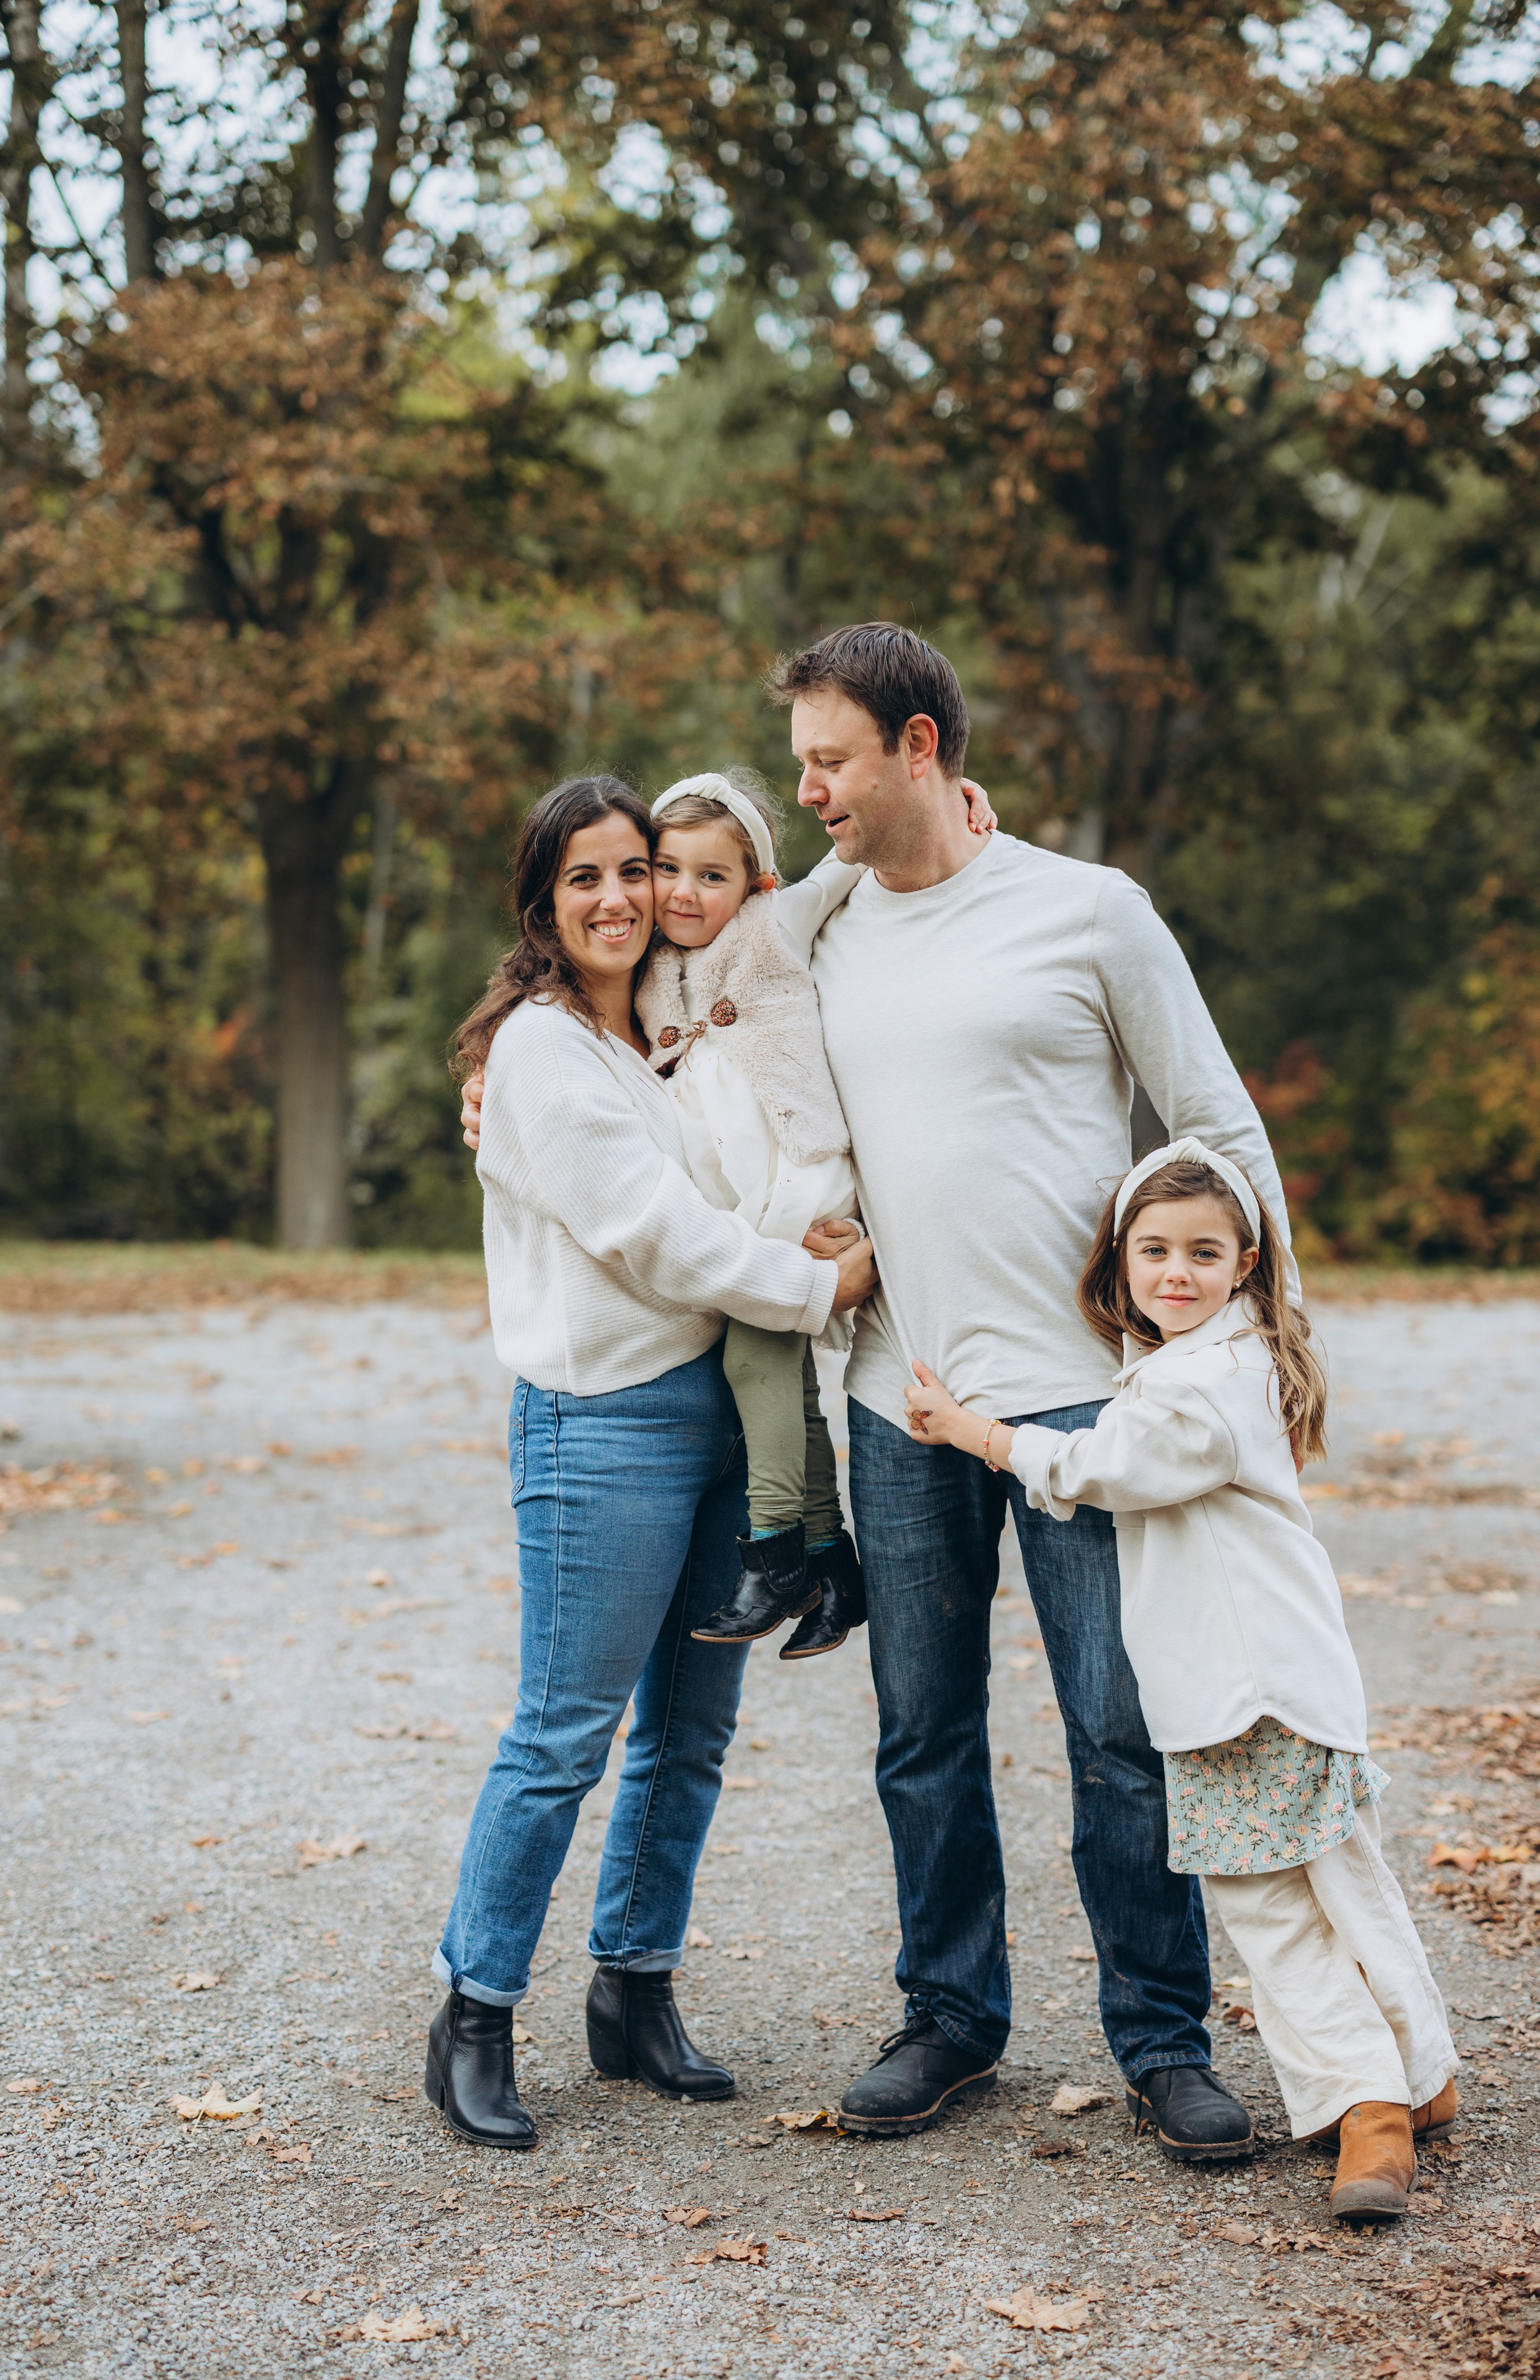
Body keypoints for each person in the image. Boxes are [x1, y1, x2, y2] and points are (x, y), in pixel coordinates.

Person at [465, 623, 1290, 2159]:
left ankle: (1161, 2039)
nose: (806, 790)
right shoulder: (812, 930)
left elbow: (1215, 1124)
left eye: (828, 760)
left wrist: (1263, 1343)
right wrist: (499, 1073)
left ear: (921, 749)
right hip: (891, 1396)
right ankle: (949, 2016)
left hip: (1075, 1400)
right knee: (921, 1730)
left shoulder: (1087, 910)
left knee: (1117, 1730)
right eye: (798, 764)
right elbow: (646, 993)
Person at [426, 773, 875, 2148]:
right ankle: (474, 2012)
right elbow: (650, 1231)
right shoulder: (543, 1051)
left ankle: (634, 1990)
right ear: (542, 903)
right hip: (603, 1422)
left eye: (637, 870)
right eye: (588, 878)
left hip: (716, 1405)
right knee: (563, 1732)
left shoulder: (664, 1029)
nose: (624, 897)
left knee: (690, 1729)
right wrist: (817, 1287)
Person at [903, 1139, 1459, 2220]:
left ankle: (1370, 2111)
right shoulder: (1229, 1357)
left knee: (1272, 1907)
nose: (1175, 1272)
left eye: (1203, 1253)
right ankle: (1420, 2071)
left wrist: (976, 1431)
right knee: (1344, 1884)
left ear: (1245, 1262)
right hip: (1290, 1681)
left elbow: (1099, 1465)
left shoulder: (1198, 1385)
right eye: (1153, 1249)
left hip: (1242, 1692)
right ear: (1122, 1256)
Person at [637, 766, 995, 1658]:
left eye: (712, 875)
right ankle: (834, 1565)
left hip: (800, 1179)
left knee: (755, 1351)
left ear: (754, 882)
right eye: (668, 869)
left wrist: (950, 797)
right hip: (745, 1199)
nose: (685, 892)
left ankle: (773, 1553)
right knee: (785, 1380)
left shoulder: (773, 924)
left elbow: (844, 863)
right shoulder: (649, 965)